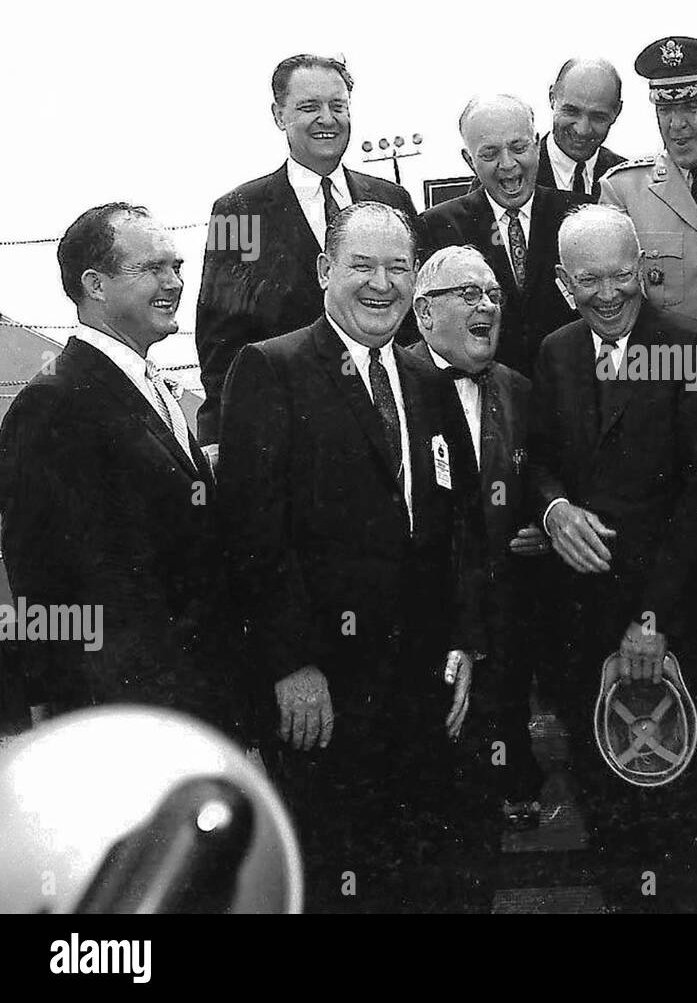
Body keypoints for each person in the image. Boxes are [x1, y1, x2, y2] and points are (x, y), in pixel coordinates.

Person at [218, 200, 486, 913]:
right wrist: (291, 662)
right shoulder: (269, 369)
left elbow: (457, 526)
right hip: (325, 695)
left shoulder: (428, 380)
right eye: (362, 266)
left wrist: (465, 640)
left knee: (421, 881)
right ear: (323, 270)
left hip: (421, 694)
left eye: (398, 268)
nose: (381, 284)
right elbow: (253, 535)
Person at [528, 205, 697, 911]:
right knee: (612, 811)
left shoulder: (688, 347)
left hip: (671, 623)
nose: (609, 295)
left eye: (622, 276)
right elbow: (539, 461)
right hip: (585, 630)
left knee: (688, 809)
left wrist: (653, 617)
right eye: (590, 281)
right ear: (562, 283)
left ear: (641, 267)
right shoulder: (554, 352)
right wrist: (554, 509)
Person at [0, 203, 233, 729]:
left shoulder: (153, 389)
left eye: (176, 266)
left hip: (195, 702)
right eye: (152, 268)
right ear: (94, 284)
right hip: (126, 719)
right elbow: (45, 585)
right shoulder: (53, 403)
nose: (173, 282)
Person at [196, 53, 417, 449]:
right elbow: (220, 340)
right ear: (279, 115)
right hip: (291, 428)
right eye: (309, 107)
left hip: (389, 420)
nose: (327, 119)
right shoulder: (239, 212)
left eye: (338, 106)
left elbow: (415, 320)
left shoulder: (392, 200)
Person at [410, 244, 550, 829]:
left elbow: (542, 472)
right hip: (431, 601)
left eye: (493, 294)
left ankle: (515, 782)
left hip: (509, 591)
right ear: (424, 313)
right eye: (468, 294)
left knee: (508, 698)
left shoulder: (519, 388)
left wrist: (545, 522)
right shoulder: (395, 385)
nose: (486, 305)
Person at [599, 36, 697, 325]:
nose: (677, 125)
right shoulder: (623, 190)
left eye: (691, 107)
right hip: (670, 360)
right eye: (665, 110)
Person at [419, 95, 581, 375]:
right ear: (469, 160)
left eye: (518, 147)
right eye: (490, 154)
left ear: (537, 145)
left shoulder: (579, 213)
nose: (507, 164)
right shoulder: (436, 228)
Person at [535, 58, 626, 199]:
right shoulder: (517, 176)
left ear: (617, 112)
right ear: (552, 98)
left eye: (598, 117)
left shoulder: (628, 182)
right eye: (571, 111)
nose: (582, 130)